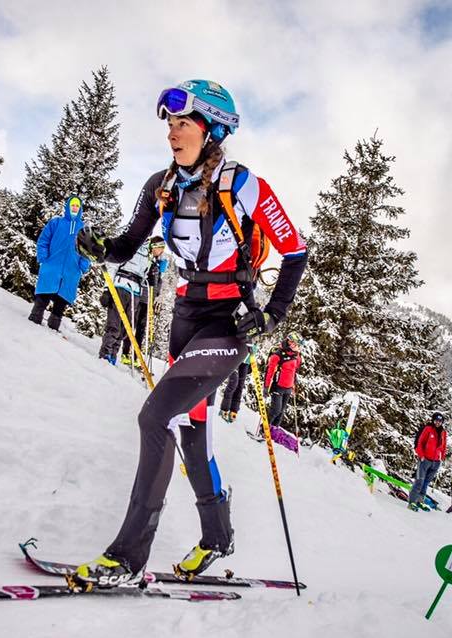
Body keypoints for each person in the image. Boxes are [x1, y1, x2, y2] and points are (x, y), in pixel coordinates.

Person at [71, 79, 307, 589]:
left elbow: (296, 249)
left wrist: (273, 313)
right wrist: (101, 247)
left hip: (227, 323)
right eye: (170, 125)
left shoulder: (243, 185)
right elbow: (130, 240)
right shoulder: (160, 184)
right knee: (192, 435)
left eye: (183, 124)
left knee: (156, 415)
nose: (172, 134)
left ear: (212, 130)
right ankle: (217, 538)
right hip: (184, 318)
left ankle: (127, 557)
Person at [28, 196, 90, 331]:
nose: (74, 208)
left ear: (80, 209)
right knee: (44, 294)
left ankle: (53, 326)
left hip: (71, 270)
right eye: (72, 205)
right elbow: (44, 240)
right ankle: (35, 318)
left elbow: (87, 251)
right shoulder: (56, 223)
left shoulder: (83, 229)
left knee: (61, 301)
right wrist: (43, 255)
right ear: (68, 206)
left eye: (77, 206)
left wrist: (84, 264)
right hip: (52, 264)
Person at [98, 238, 151, 363]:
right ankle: (105, 353)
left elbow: (145, 273)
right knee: (114, 324)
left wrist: (151, 278)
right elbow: (112, 266)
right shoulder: (129, 243)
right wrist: (107, 289)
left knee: (126, 327)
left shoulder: (148, 251)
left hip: (136, 291)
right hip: (121, 286)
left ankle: (113, 354)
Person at [120, 237, 168, 364]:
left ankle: (136, 355)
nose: (161, 251)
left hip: (149, 299)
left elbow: (159, 282)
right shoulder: (146, 257)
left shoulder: (160, 263)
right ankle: (125, 351)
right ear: (153, 247)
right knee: (133, 324)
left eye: (162, 249)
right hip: (139, 295)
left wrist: (157, 297)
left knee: (142, 327)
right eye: (159, 248)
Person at [407, 412, 447, 511]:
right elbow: (420, 442)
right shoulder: (428, 429)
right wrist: (421, 455)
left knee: (426, 483)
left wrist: (442, 458)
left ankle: (420, 501)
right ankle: (412, 502)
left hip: (436, 462)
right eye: (436, 420)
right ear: (433, 420)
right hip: (425, 460)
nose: (438, 423)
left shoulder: (443, 432)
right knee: (419, 481)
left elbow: (444, 446)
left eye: (440, 421)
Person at [264, 331, 302, 433]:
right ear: (289, 341)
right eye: (295, 344)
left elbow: (294, 370)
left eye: (298, 345)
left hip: (288, 388)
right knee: (275, 410)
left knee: (281, 412)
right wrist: (266, 386)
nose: (297, 346)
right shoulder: (278, 354)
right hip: (278, 386)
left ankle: (274, 432)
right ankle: (264, 431)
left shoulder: (296, 355)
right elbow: (269, 371)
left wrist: (294, 385)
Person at [218, 354, 250, 422]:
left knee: (240, 386)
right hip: (237, 356)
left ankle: (233, 410)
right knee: (233, 383)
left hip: (246, 361)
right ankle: (224, 409)